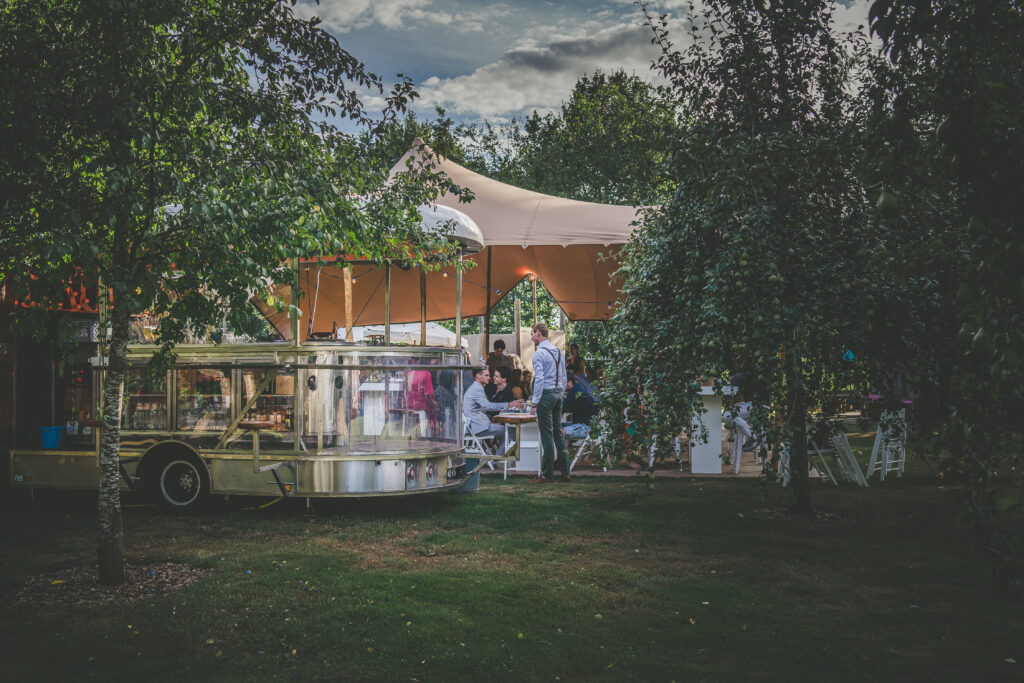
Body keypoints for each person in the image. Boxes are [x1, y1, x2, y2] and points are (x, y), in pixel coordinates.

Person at [529, 323, 570, 482]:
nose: (532, 337)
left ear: (538, 333)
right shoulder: (558, 352)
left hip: (546, 395)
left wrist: (534, 402)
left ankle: (547, 474)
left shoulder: (539, 353)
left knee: (547, 435)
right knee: (558, 433)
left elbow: (539, 379)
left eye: (532, 334)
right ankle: (565, 471)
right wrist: (561, 393)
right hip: (559, 394)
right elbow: (564, 376)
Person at [463, 366, 522, 455]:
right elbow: (487, 406)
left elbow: (481, 410)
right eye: (486, 375)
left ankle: (494, 457)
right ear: (478, 376)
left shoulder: (476, 388)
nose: (489, 378)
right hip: (477, 427)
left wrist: (489, 422)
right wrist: (508, 404)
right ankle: (496, 459)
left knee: (507, 430)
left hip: (476, 424)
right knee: (512, 432)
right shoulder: (477, 389)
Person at [562, 374, 598, 440]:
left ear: (569, 382)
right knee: (564, 420)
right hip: (585, 422)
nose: (560, 386)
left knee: (558, 433)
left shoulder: (574, 392)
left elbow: (562, 408)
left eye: (561, 382)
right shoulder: (577, 388)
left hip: (587, 427)